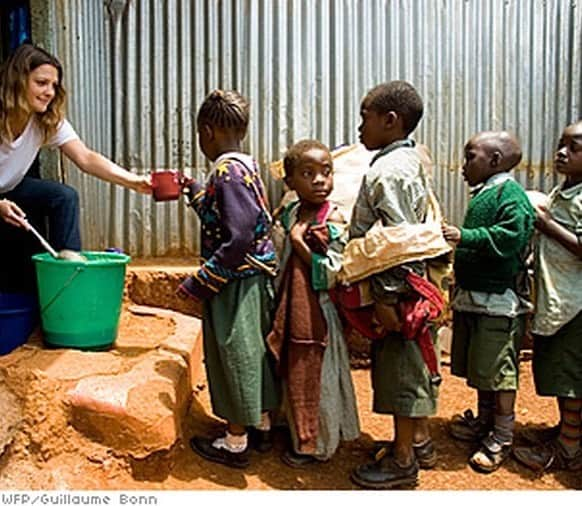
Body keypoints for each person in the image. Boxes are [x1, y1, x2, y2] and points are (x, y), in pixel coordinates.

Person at [178, 89, 279, 469]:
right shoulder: (246, 165)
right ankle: (263, 422)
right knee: (256, 348)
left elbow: (236, 238)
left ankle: (236, 441)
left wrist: (203, 280)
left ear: (207, 131)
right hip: (256, 276)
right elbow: (231, 218)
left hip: (235, 280)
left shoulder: (226, 170)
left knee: (234, 352)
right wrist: (194, 191)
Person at [348, 81, 440, 490]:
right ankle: (414, 444)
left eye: (365, 118)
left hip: (400, 290)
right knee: (407, 367)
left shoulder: (390, 170)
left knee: (402, 371)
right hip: (408, 285)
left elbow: (399, 242)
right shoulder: (408, 160)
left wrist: (387, 298)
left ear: (390, 120)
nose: (358, 128)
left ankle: (403, 461)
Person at [0, 44, 151, 292]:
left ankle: (69, 279)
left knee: (63, 196)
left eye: (54, 85)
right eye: (41, 83)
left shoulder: (46, 120)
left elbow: (86, 158)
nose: (49, 92)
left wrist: (134, 182)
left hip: (11, 189)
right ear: (18, 80)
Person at [442, 131, 535, 473]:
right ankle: (483, 422)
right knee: (483, 366)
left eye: (470, 157)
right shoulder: (485, 193)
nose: (463, 165)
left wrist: (465, 236)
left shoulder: (510, 194)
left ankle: (502, 435)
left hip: (499, 302)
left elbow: (511, 237)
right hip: (475, 299)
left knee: (499, 370)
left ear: (494, 160)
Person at [266, 139, 360, 467]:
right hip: (290, 308)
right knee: (292, 370)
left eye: (326, 172)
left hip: (320, 311)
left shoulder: (332, 220)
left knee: (318, 376)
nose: (320, 180)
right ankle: (292, 430)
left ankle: (319, 444)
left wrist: (298, 243)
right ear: (290, 182)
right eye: (308, 174)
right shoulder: (291, 211)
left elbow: (333, 271)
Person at [512, 121, 582, 472]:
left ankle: (568, 448)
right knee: (557, 369)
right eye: (561, 144)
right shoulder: (562, 192)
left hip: (576, 303)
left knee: (570, 375)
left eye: (575, 147)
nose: (562, 153)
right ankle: (567, 432)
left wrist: (546, 225)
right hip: (557, 297)